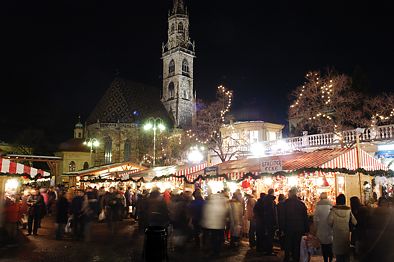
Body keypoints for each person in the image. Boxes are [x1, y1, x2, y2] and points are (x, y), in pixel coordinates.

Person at [328, 194, 357, 262]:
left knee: (339, 255)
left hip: (337, 234)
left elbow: (329, 222)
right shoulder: (348, 210)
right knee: (345, 253)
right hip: (345, 234)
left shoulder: (333, 211)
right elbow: (355, 222)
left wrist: (334, 225)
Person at [283, 187, 309, 262]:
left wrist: (282, 228)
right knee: (297, 245)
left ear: (290, 194)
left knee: (288, 244)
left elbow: (283, 217)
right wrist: (306, 229)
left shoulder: (285, 204)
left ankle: (287, 258)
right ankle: (296, 258)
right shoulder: (301, 204)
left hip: (288, 227)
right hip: (299, 228)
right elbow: (305, 217)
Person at [201, 192, 229, 258]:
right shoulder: (221, 205)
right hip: (219, 225)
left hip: (211, 225)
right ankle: (217, 251)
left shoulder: (209, 204)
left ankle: (213, 251)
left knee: (213, 239)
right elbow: (225, 214)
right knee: (218, 239)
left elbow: (205, 214)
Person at [313, 192, 333, 262]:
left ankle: (325, 260)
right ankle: (330, 259)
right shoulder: (331, 205)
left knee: (324, 246)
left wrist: (315, 227)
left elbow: (315, 219)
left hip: (321, 228)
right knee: (330, 245)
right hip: (329, 227)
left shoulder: (318, 206)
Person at [262, 188, 277, 255]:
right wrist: (275, 222)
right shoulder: (271, 201)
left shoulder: (265, 200)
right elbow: (273, 212)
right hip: (270, 221)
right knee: (270, 235)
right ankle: (269, 250)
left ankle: (267, 249)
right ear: (272, 193)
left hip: (266, 220)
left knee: (267, 235)